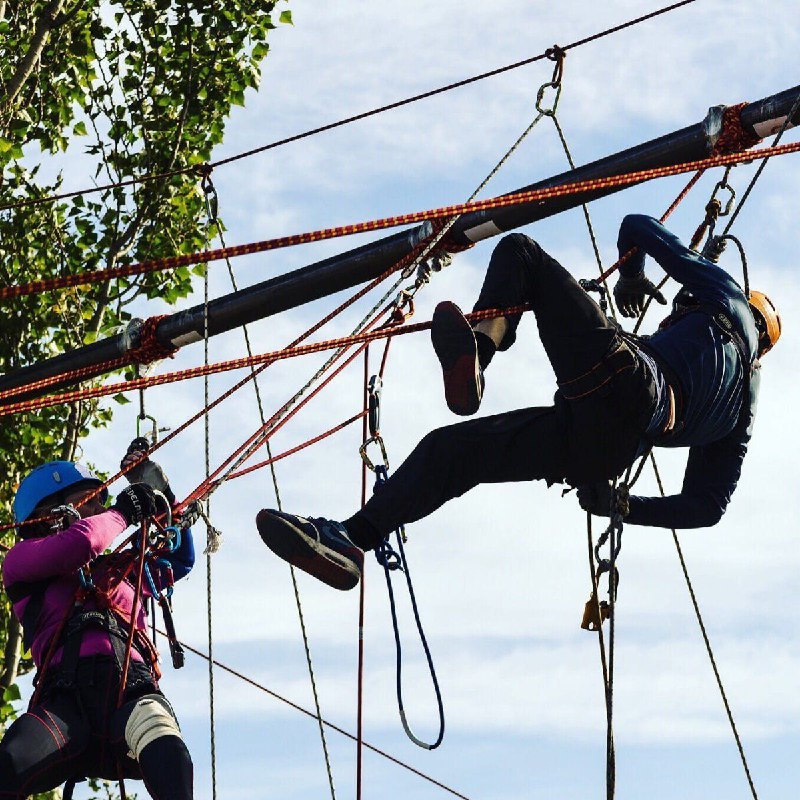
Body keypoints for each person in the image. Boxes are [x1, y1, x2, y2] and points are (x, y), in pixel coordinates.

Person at [255, 214, 781, 591]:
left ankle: (480, 353)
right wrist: (623, 507)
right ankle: (351, 540)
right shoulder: (743, 411)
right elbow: (707, 507)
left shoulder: (726, 297)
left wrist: (630, 275)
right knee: (450, 452)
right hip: (603, 450)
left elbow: (637, 225)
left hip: (629, 381)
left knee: (521, 253)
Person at [0, 446, 195, 799]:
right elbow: (81, 543)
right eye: (90, 501)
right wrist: (123, 513)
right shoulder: (21, 563)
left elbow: (179, 557)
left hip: (131, 695)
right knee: (10, 763)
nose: (100, 511)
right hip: (65, 702)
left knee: (168, 750)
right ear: (49, 512)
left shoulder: (123, 572)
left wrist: (160, 495)